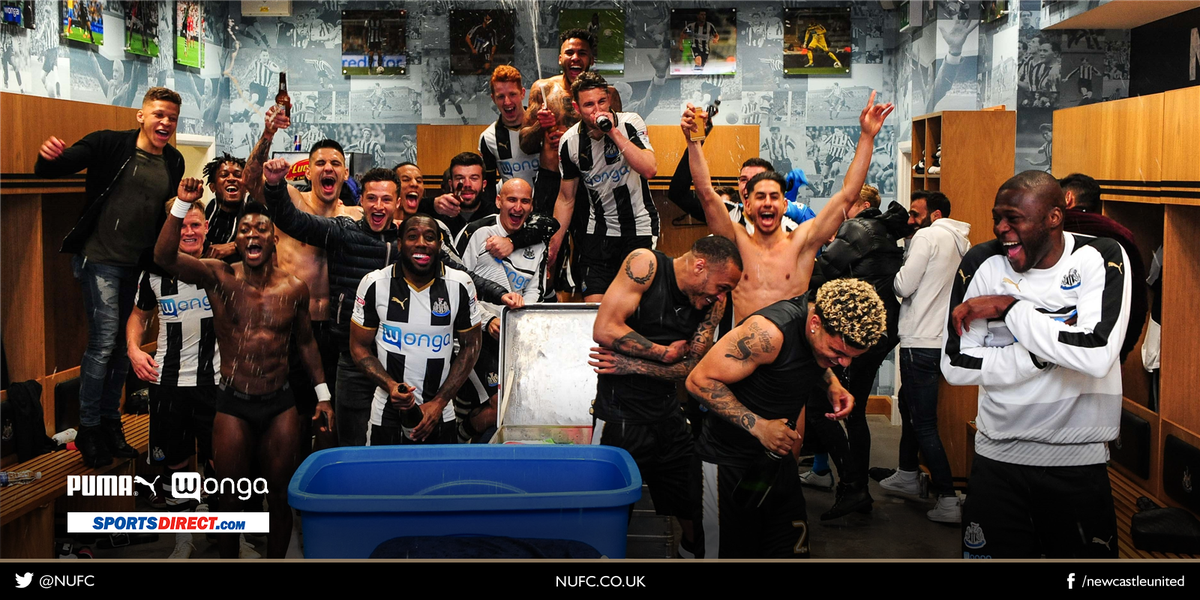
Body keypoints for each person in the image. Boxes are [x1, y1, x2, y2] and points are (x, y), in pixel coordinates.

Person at [942, 171, 1130, 559]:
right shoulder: (982, 262)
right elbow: (956, 364)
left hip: (1078, 464)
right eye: (997, 217)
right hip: (997, 460)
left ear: (1053, 217)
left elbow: (1096, 353)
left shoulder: (1101, 257)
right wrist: (1042, 352)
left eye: (1014, 218)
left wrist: (1009, 309)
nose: (1001, 228)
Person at [154, 178, 333, 559]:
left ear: (273, 241)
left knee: (281, 497)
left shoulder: (294, 288)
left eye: (261, 229)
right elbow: (165, 258)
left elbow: (305, 343)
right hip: (234, 404)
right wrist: (181, 207)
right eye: (245, 230)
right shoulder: (220, 277)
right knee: (227, 502)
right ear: (237, 242)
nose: (253, 235)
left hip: (280, 403)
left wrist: (323, 397)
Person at [34, 87, 185, 468]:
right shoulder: (109, 144)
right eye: (158, 114)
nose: (165, 122)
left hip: (138, 267)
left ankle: (109, 422)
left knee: (122, 347)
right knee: (103, 343)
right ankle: (88, 428)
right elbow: (55, 168)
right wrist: (48, 156)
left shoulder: (174, 161)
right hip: (100, 260)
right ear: (141, 115)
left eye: (171, 117)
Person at [685, 279, 886, 558]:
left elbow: (810, 354)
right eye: (839, 353)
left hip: (776, 464)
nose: (844, 363)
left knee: (790, 551)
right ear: (815, 322)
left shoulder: (819, 333)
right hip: (726, 463)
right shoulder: (767, 334)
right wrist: (759, 426)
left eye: (852, 357)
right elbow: (698, 380)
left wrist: (831, 384)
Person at [589, 236, 742, 558]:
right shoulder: (645, 265)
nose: (721, 295)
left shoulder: (715, 303)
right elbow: (604, 329)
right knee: (607, 512)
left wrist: (631, 364)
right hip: (620, 416)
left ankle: (691, 555)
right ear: (700, 266)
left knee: (693, 505)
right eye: (722, 285)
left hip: (669, 416)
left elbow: (693, 369)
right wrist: (663, 354)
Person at [684, 91, 893, 321]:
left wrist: (866, 137)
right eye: (760, 196)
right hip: (747, 349)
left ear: (785, 205)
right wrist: (694, 140)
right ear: (749, 205)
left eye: (774, 197)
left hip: (791, 353)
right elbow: (705, 193)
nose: (767, 202)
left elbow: (847, 195)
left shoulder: (803, 243)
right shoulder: (736, 241)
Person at [243, 108, 359, 454]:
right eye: (320, 162)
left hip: (338, 330)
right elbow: (251, 181)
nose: (328, 168)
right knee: (290, 415)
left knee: (331, 416)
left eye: (335, 163)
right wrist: (267, 136)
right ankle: (286, 486)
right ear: (307, 171)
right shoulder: (290, 201)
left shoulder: (357, 216)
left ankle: (326, 485)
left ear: (345, 173)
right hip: (292, 326)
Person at [800, 185, 908, 520]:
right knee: (853, 408)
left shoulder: (857, 227)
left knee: (827, 409)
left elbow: (822, 270)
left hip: (857, 332)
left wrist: (802, 252)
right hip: (876, 330)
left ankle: (854, 487)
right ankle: (843, 481)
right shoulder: (883, 230)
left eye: (847, 202)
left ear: (861, 204)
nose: (842, 208)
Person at [127, 201, 218, 559]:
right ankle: (184, 539)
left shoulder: (219, 271)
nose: (189, 232)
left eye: (195, 225)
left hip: (216, 383)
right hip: (167, 382)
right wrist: (133, 349)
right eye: (180, 226)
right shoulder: (153, 274)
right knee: (176, 464)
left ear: (206, 228)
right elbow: (137, 316)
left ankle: (226, 533)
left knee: (221, 461)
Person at [350, 215, 483, 446]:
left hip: (442, 412)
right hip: (387, 412)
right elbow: (358, 346)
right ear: (399, 243)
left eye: (430, 237)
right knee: (386, 481)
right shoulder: (374, 283)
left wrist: (439, 402)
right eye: (412, 237)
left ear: (439, 245)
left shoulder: (460, 284)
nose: (421, 243)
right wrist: (391, 386)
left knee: (441, 481)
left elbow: (472, 346)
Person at [880, 190, 970, 523]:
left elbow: (903, 286)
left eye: (916, 214)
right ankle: (906, 473)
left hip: (919, 339)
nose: (910, 221)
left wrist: (888, 268)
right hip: (943, 341)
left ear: (934, 215)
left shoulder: (928, 237)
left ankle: (948, 499)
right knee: (908, 402)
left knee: (924, 422)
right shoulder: (963, 242)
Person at [453, 178, 551, 442]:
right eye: (511, 200)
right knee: (500, 405)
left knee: (520, 402)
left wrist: (520, 321)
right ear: (498, 201)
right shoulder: (475, 232)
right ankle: (459, 438)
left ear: (531, 207)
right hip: (475, 335)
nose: (518, 207)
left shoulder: (538, 243)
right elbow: (456, 285)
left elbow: (535, 292)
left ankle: (470, 432)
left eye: (525, 201)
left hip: (515, 337)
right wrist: (487, 321)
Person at [551, 71, 657, 302]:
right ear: (577, 109)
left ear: (609, 100)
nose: (597, 110)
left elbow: (649, 169)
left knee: (634, 306)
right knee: (594, 310)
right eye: (589, 105)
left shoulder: (631, 123)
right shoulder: (570, 142)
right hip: (598, 232)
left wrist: (613, 132)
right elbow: (566, 199)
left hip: (638, 228)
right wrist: (554, 246)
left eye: (601, 102)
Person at [1059, 173, 1147, 364]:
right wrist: (1121, 351)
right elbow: (1137, 300)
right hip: (1107, 346)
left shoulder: (1051, 228)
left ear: (1068, 199)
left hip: (1051, 345)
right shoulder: (1121, 235)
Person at [519, 28, 622, 157]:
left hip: (591, 174)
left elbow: (618, 142)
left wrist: (571, 139)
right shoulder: (543, 89)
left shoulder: (608, 95)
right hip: (551, 174)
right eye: (569, 52)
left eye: (582, 53)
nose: (575, 58)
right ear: (560, 59)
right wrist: (540, 125)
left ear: (591, 60)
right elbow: (525, 146)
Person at [480, 66, 541, 189]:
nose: (507, 102)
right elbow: (489, 187)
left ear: (523, 93)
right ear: (493, 98)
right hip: (512, 207)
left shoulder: (542, 126)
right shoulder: (488, 138)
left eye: (512, 94)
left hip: (545, 205)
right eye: (501, 96)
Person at [201, 153, 246, 263]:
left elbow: (271, 241)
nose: (231, 179)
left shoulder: (257, 212)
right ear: (212, 187)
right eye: (224, 175)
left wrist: (234, 246)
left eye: (238, 175)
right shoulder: (205, 213)